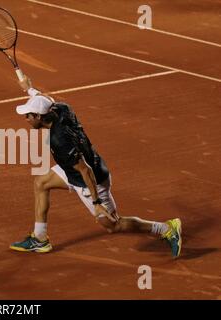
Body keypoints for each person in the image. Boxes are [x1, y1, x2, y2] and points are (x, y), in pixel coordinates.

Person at [9, 76, 182, 258]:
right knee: (41, 183)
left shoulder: (59, 140)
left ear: (39, 117)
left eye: (28, 115)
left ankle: (166, 228)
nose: (26, 118)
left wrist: (97, 202)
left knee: (113, 225)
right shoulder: (63, 110)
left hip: (90, 180)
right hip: (76, 168)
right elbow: (47, 101)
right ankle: (39, 238)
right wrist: (30, 89)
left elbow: (85, 170)